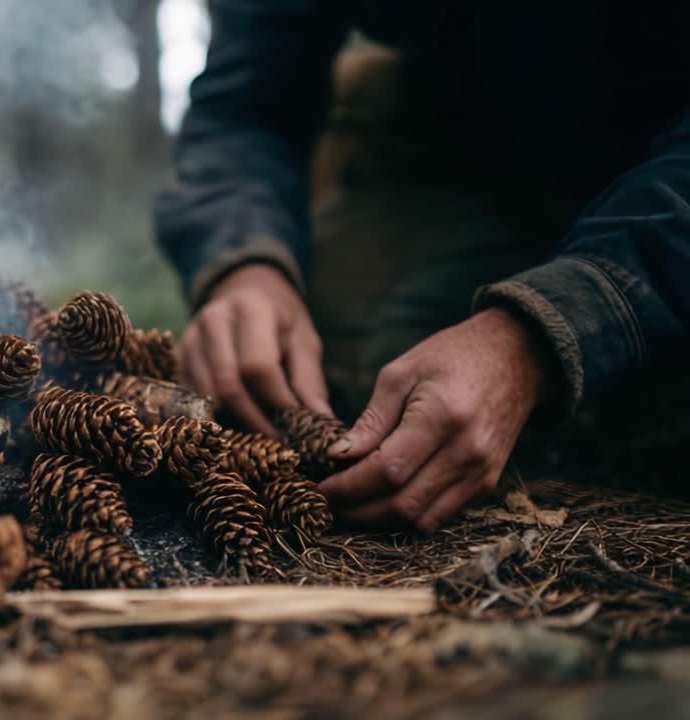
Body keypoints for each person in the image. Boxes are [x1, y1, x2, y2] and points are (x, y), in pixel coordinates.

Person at [156, 2, 690, 530]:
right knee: (388, 410)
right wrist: (245, 264)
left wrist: (545, 330)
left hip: (663, 148)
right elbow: (244, 108)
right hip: (472, 137)